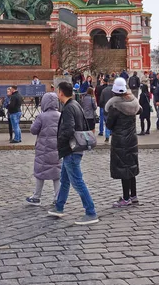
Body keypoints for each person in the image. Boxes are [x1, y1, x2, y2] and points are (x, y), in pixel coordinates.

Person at [48, 82, 98, 224]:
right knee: (64, 180)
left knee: (77, 181)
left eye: (58, 91)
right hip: (73, 149)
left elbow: (69, 129)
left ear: (61, 93)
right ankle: (59, 207)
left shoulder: (69, 108)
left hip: (70, 150)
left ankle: (91, 212)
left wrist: (60, 139)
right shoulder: (76, 104)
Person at [105, 77, 141, 207]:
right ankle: (134, 196)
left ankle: (126, 198)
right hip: (132, 139)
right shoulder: (133, 103)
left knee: (123, 170)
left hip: (120, 142)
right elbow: (140, 110)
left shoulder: (115, 107)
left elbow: (109, 125)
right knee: (131, 168)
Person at [26, 92, 61, 206]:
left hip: (43, 149)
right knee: (57, 174)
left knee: (40, 172)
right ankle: (57, 198)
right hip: (57, 149)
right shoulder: (60, 115)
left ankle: (36, 197)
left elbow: (33, 130)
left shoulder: (41, 116)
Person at [99, 78, 114, 142]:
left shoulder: (104, 90)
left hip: (106, 108)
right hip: (113, 109)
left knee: (107, 123)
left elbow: (101, 100)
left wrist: (102, 106)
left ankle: (107, 136)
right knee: (114, 122)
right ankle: (113, 134)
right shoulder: (114, 90)